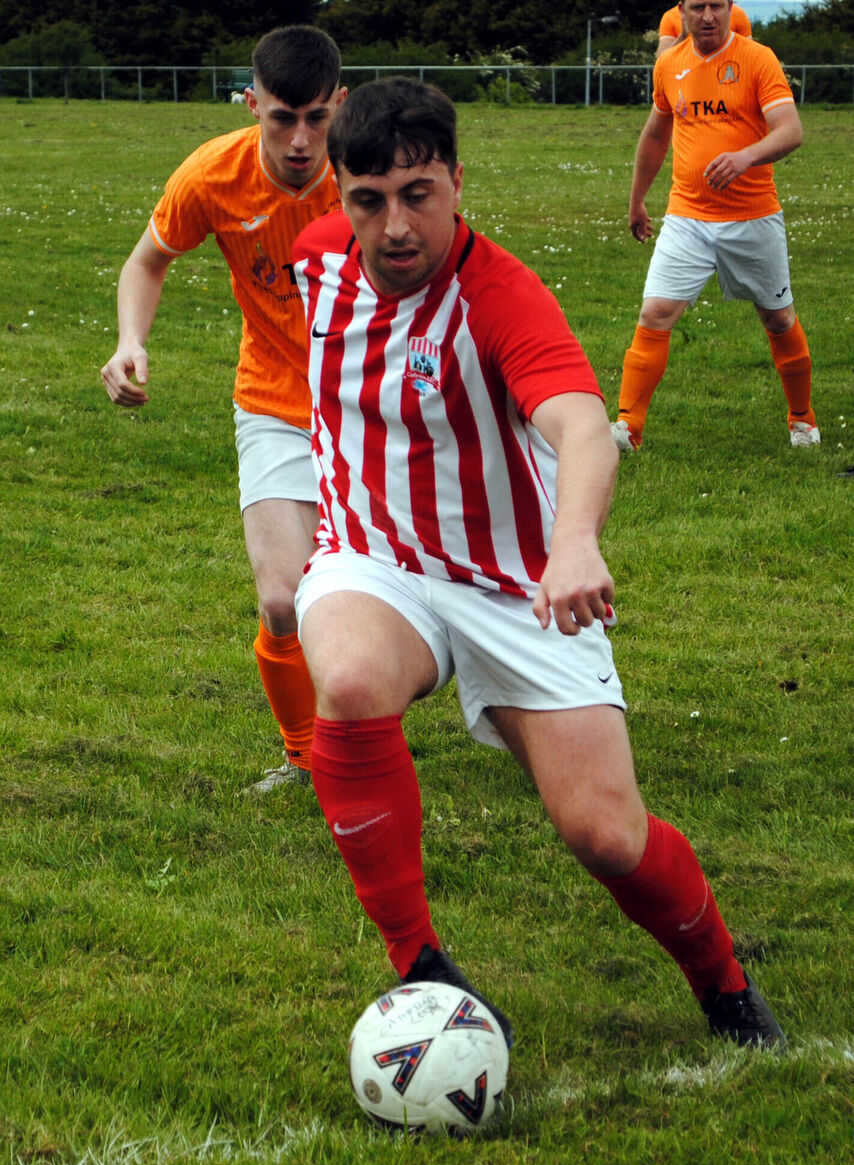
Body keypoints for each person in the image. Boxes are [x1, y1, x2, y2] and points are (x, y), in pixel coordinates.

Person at [291, 76, 785, 1049]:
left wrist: (573, 547)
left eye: (418, 195)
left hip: (523, 585)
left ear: (456, 182)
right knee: (347, 681)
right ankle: (420, 969)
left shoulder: (500, 294)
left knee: (604, 835)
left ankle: (723, 984)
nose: (394, 227)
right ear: (339, 197)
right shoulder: (315, 262)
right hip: (373, 557)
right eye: (369, 200)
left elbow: (581, 427)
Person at [100, 26, 346, 790]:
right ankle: (305, 757)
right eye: (281, 117)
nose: (300, 139)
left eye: (316, 117)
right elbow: (147, 262)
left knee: (443, 579)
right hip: (273, 397)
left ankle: (518, 695)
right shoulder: (212, 175)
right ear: (252, 105)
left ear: (340, 105)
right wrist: (128, 342)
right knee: (281, 597)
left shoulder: (371, 165)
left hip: (375, 399)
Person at [614, 0, 818, 453]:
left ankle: (802, 419)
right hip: (687, 216)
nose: (709, 17)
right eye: (698, 7)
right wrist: (637, 201)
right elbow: (655, 135)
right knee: (655, 313)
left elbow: (791, 130)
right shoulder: (669, 64)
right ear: (681, 12)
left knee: (778, 317)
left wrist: (745, 156)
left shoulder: (756, 58)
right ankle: (628, 427)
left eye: (717, 6)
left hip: (753, 216)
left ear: (731, 9)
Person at [656, 0, 751, 58]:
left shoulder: (738, 14)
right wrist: (683, 36)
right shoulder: (670, 17)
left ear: (729, 7)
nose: (708, 18)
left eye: (715, 6)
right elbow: (661, 58)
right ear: (682, 10)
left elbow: (748, 54)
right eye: (698, 7)